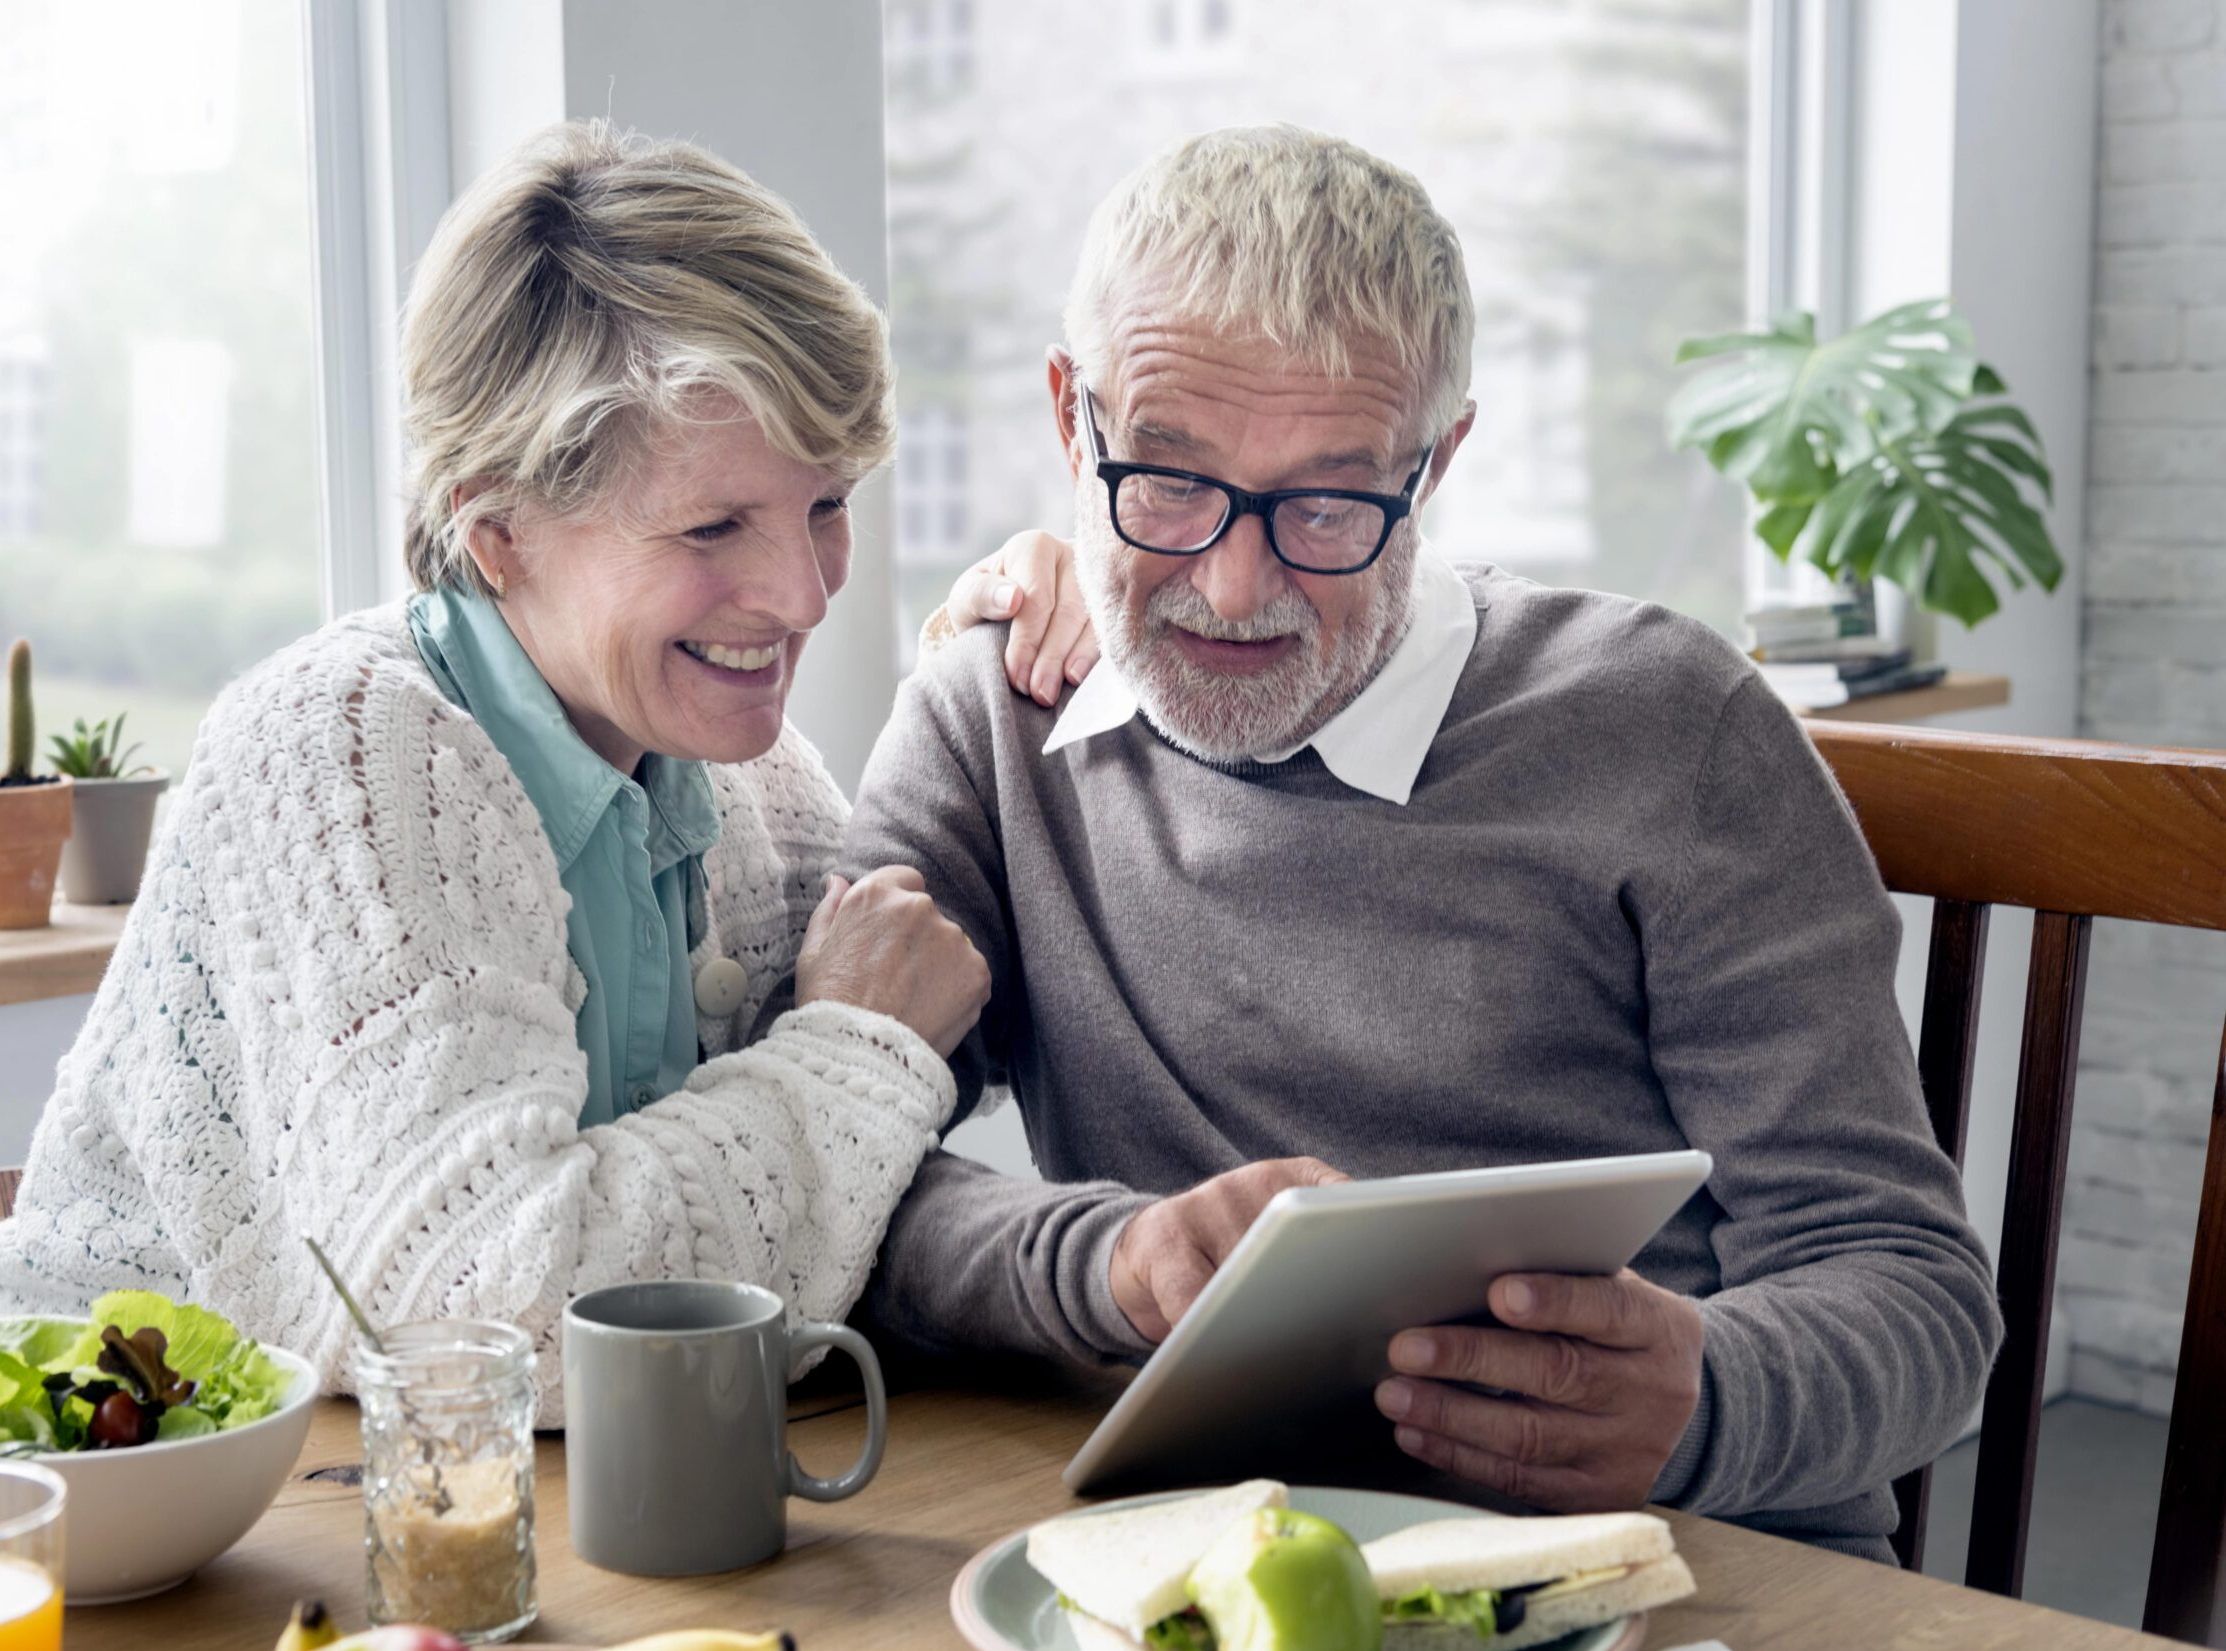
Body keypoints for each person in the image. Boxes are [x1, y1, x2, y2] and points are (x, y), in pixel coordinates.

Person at [845, 124, 2003, 1560]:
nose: (1232, 580)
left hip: (1674, 1568)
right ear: (1070, 415)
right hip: (1222, 1562)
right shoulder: (993, 720)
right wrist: (1104, 1261)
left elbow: (1914, 1291)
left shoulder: (1673, 728)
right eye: (1170, 478)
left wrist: (1702, 1400)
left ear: (1438, 459)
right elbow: (824, 1180)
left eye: (1329, 500)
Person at [0, 120, 1085, 1424]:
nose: (804, 589)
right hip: (65, 1514)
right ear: (498, 533)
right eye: (716, 525)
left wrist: (1040, 657)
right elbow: (484, 1326)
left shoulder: (747, 787)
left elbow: (902, 1107)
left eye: (827, 503)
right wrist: (851, 1044)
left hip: (424, 1516)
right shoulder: (342, 755)